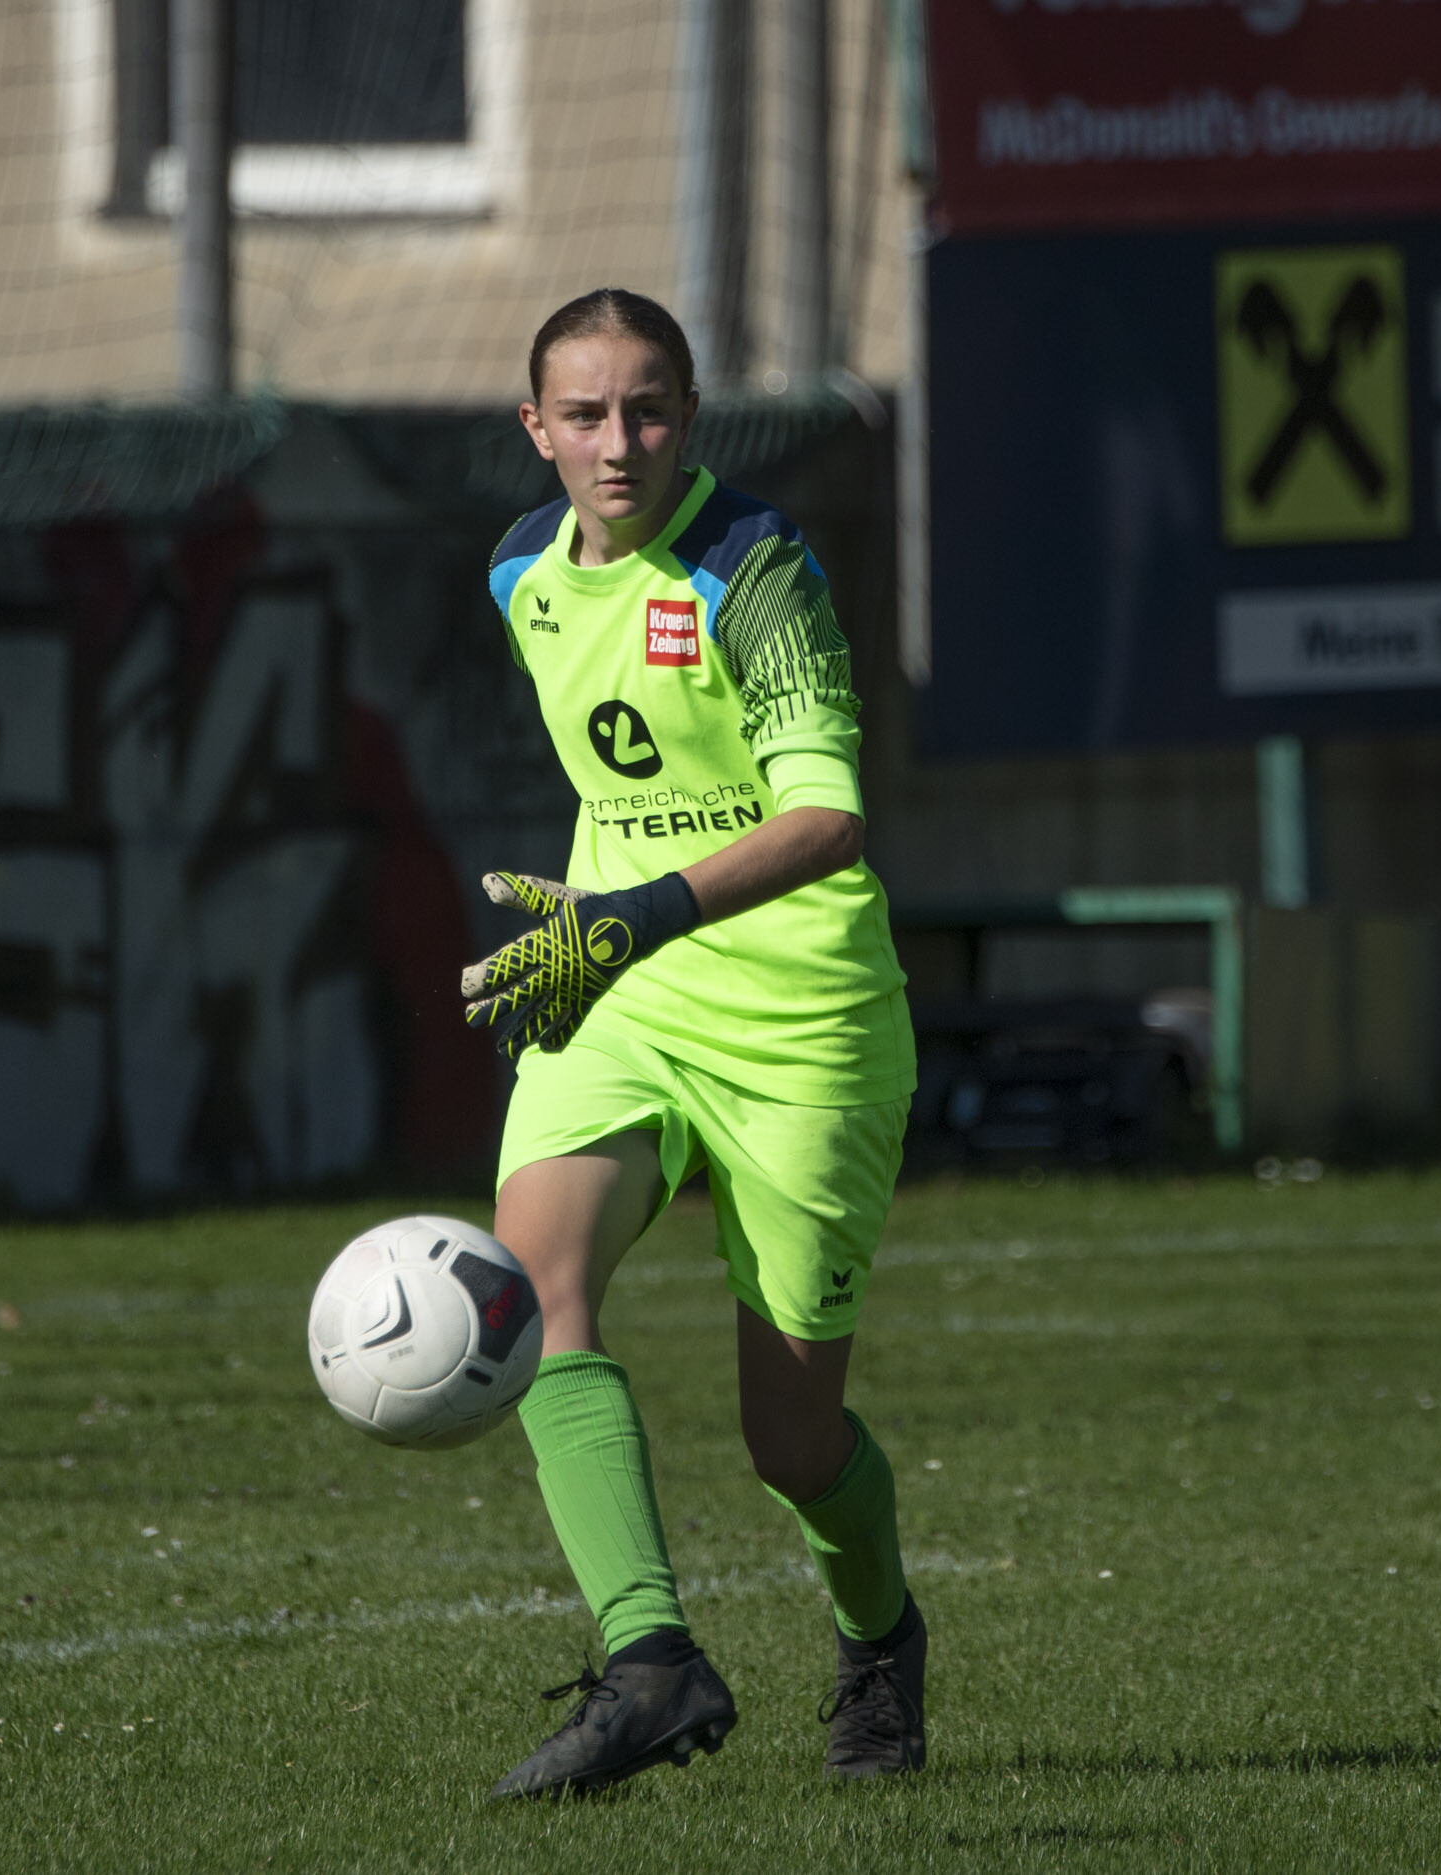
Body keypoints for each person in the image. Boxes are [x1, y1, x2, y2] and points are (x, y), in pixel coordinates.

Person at [464, 287, 922, 1799]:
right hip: (625, 990)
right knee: (531, 1291)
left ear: (691, 420)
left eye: (649, 409)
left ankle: (879, 1638)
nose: (619, 442)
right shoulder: (521, 570)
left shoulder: (755, 570)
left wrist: (638, 912)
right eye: (585, 414)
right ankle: (650, 1663)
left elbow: (829, 816)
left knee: (791, 1443)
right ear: (536, 429)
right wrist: (616, 933)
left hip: (803, 1018)